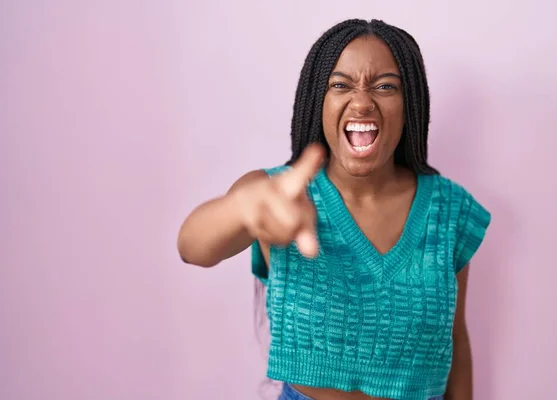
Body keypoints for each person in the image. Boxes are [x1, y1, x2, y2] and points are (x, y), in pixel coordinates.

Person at [177, 18, 491, 400]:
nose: (362, 101)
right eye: (340, 85)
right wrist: (244, 208)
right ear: (317, 100)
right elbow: (192, 248)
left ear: (410, 105)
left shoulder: (450, 210)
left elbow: (455, 342)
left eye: (386, 86)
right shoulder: (276, 193)